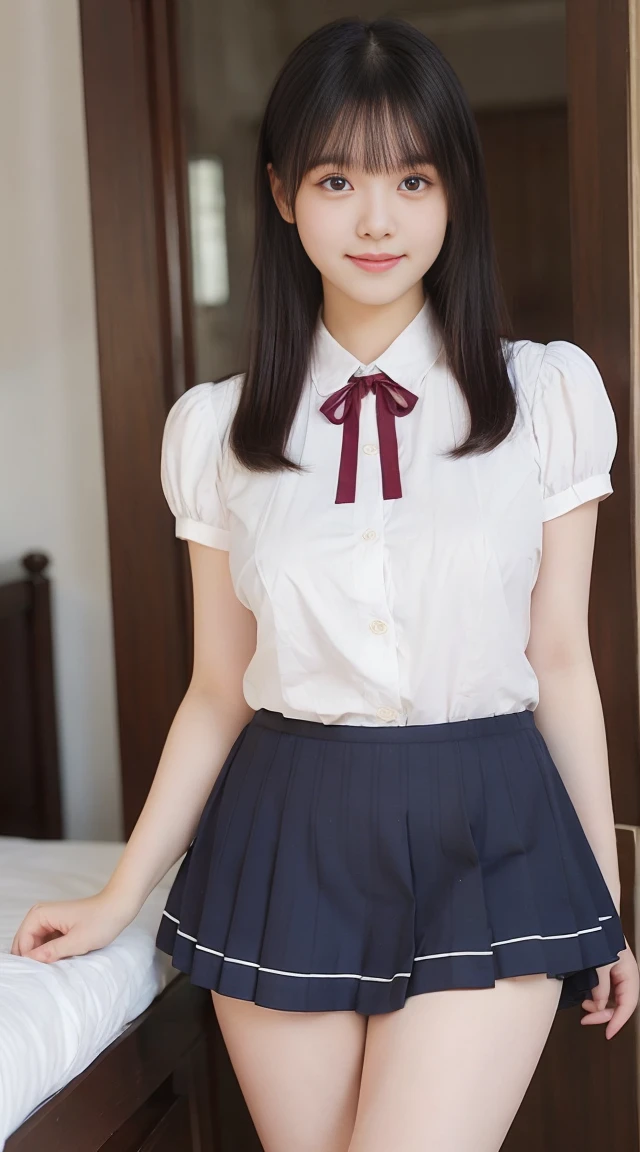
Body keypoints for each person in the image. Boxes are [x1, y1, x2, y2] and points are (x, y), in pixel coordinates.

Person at [11, 16, 639, 1152]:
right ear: (282, 195)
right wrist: (118, 899)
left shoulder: (542, 398)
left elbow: (559, 664)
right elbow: (217, 691)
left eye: (412, 176)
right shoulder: (215, 432)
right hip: (286, 835)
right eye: (338, 177)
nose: (377, 217)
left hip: (489, 831)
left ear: (454, 193)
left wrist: (600, 901)